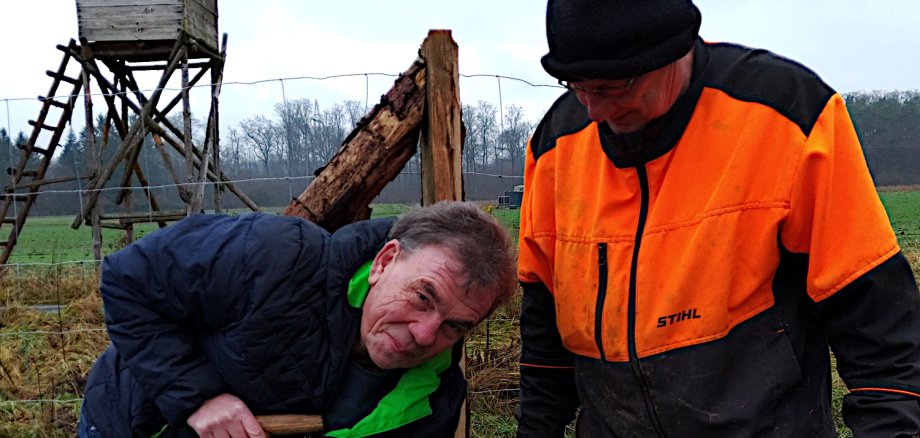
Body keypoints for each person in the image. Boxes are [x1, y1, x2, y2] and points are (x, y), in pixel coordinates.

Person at [515, 1, 920, 437]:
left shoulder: (787, 117)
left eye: (614, 87)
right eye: (577, 85)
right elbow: (545, 336)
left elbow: (878, 325)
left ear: (672, 50)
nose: (594, 111)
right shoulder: (557, 144)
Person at [78, 201, 516, 438]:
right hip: (136, 419)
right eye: (422, 296)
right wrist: (196, 397)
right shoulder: (274, 256)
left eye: (456, 326)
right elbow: (128, 278)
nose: (425, 335)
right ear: (385, 261)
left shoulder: (432, 399)